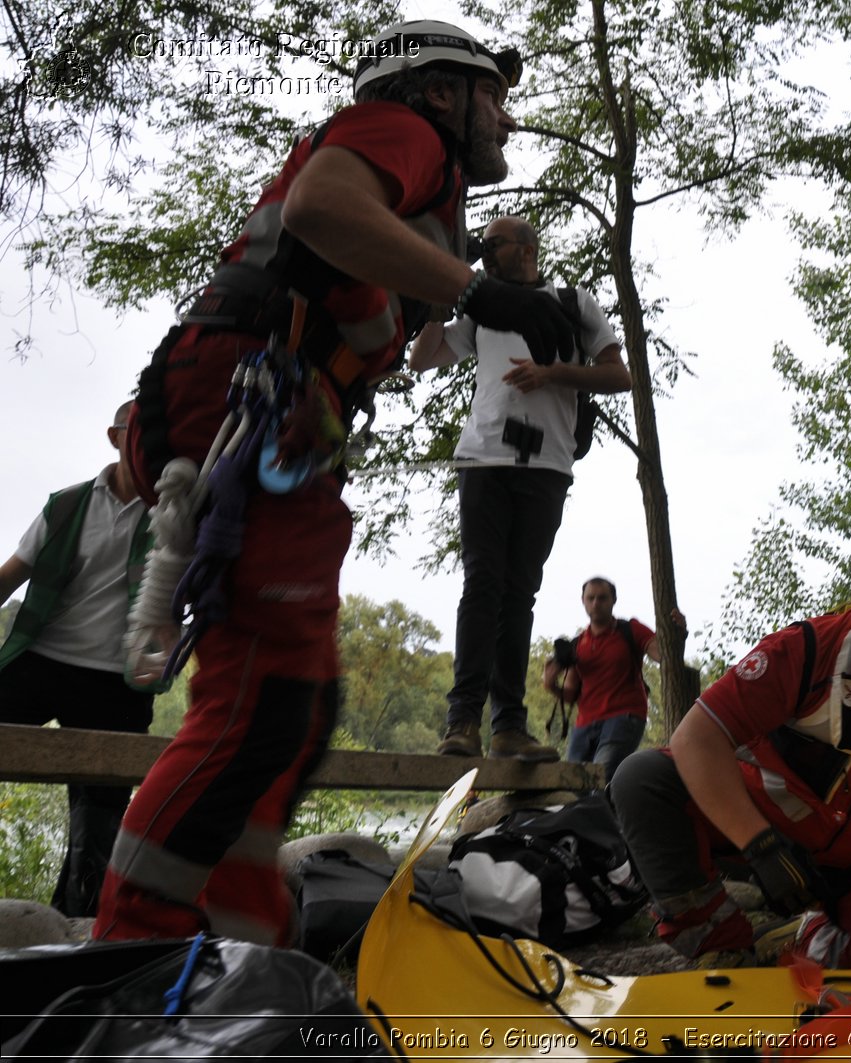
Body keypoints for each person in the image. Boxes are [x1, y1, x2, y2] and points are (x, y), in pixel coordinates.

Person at [96, 20, 579, 944]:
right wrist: (483, 295)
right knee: (260, 696)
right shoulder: (405, 134)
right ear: (440, 93)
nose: (507, 123)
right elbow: (320, 209)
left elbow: (363, 300)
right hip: (244, 399)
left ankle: (240, 933)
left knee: (299, 700)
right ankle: (130, 951)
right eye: (496, 98)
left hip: (269, 411)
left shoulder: (419, 198)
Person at [609, 546, 851, 969]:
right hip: (768, 835)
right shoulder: (808, 650)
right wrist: (761, 845)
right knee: (641, 778)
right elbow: (696, 738)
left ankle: (810, 940)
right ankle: (720, 945)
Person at [410, 215, 630, 761]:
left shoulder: (573, 302)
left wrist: (551, 373)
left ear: (526, 248)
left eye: (493, 243)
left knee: (518, 592)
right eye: (479, 246)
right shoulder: (480, 312)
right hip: (483, 459)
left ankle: (509, 727)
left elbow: (618, 375)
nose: (483, 252)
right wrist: (440, 297)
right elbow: (422, 359)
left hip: (547, 466)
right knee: (482, 583)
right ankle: (462, 722)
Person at [0, 403, 166, 918]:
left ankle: (76, 930)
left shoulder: (174, 513)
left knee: (99, 824)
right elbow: (12, 576)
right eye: (140, 435)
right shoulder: (67, 505)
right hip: (40, 662)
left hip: (114, 684)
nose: (151, 448)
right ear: (116, 437)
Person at [541, 577, 681, 781]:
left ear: (613, 600)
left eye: (602, 598)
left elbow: (664, 655)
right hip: (585, 724)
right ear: (583, 601)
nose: (596, 603)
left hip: (624, 717)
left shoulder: (630, 630)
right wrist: (550, 684)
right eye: (591, 598)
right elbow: (570, 694)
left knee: (602, 776)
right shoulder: (577, 644)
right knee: (571, 785)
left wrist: (676, 636)